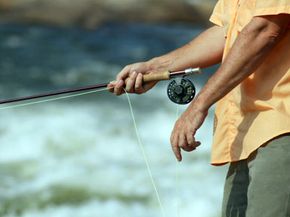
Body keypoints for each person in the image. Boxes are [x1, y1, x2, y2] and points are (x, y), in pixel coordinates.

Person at [108, 1, 290, 216]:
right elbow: (227, 32)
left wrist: (199, 105)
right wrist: (155, 67)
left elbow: (264, 30)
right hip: (248, 132)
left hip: (281, 126)